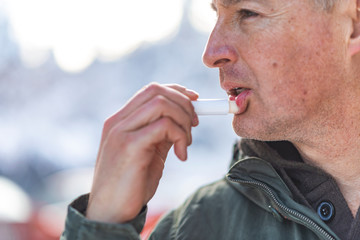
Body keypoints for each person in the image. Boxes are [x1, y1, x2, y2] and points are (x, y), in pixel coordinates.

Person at [61, 0, 360, 239]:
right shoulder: (193, 228)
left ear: (353, 24)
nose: (211, 53)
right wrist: (102, 226)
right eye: (216, 13)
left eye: (248, 13)